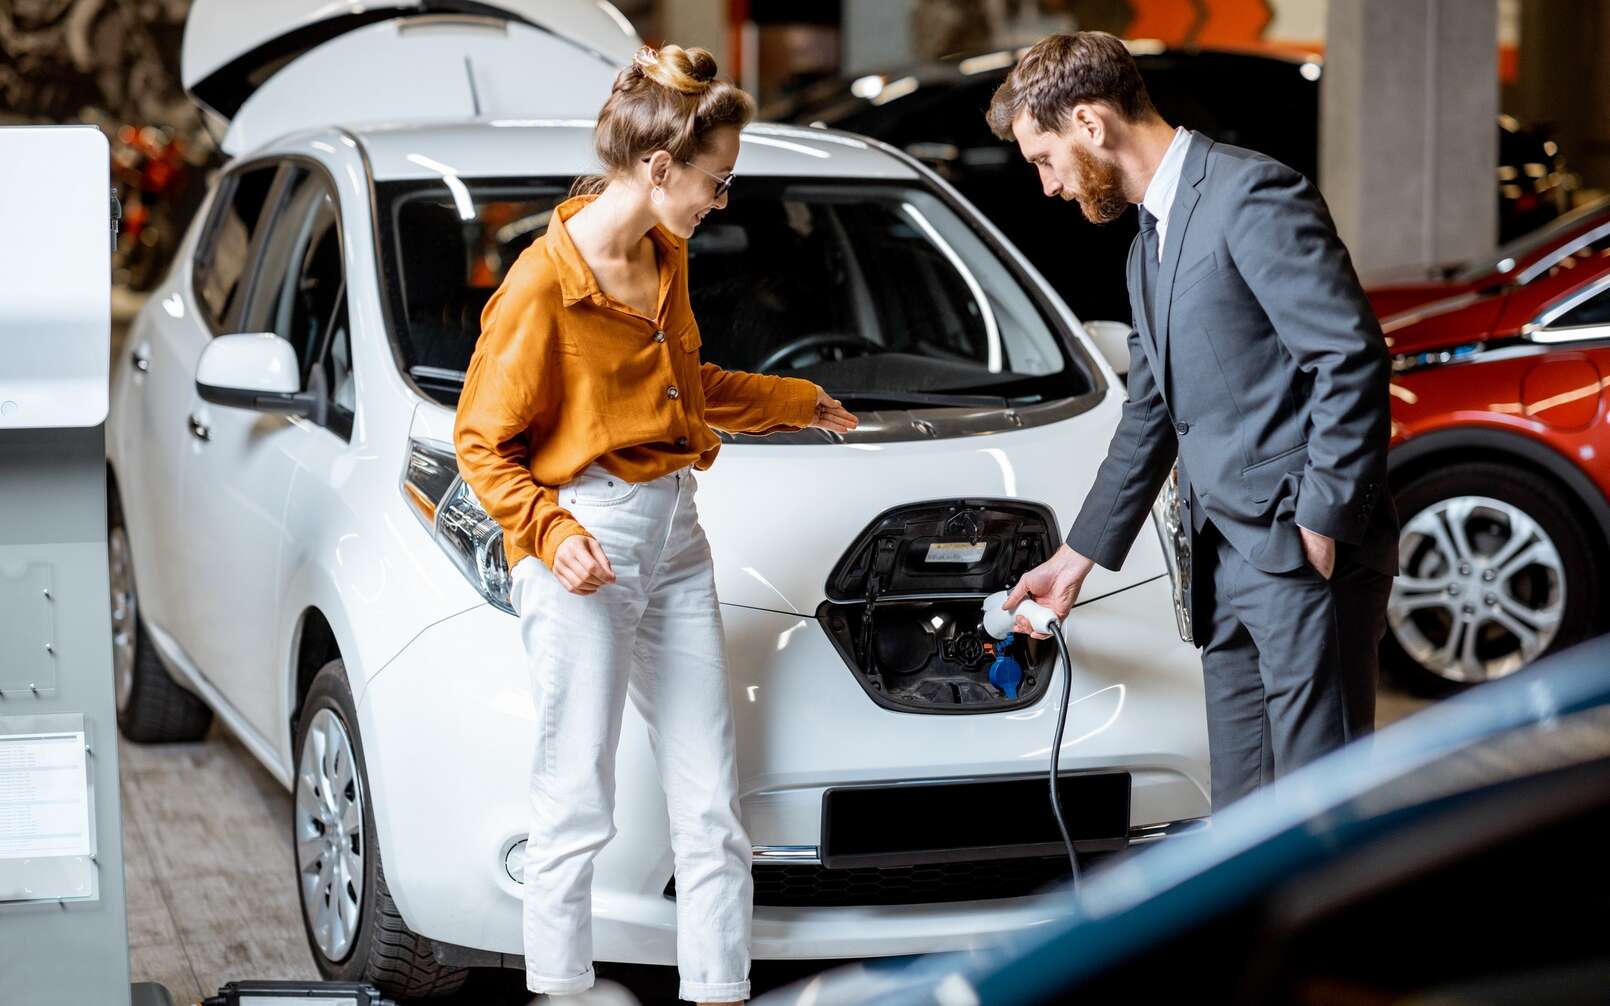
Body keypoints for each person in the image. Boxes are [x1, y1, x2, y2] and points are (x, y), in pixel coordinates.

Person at [453, 44, 858, 1004]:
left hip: (678, 536)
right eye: (715, 182)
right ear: (660, 168)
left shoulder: (662, 254)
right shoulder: (541, 289)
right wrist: (551, 535)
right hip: (585, 542)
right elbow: (480, 443)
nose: (722, 201)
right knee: (577, 802)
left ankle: (719, 991)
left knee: (711, 805)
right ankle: (561, 992)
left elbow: (685, 389)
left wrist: (794, 400)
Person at [990, 32, 1399, 812]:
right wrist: (1075, 559)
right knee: (1243, 815)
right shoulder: (1146, 247)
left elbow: (1349, 358)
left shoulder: (1251, 195)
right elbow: (1152, 414)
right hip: (1220, 566)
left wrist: (1321, 525)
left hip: (1299, 555)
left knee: (1324, 809)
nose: (1046, 185)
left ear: (1089, 123)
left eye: (1044, 159)